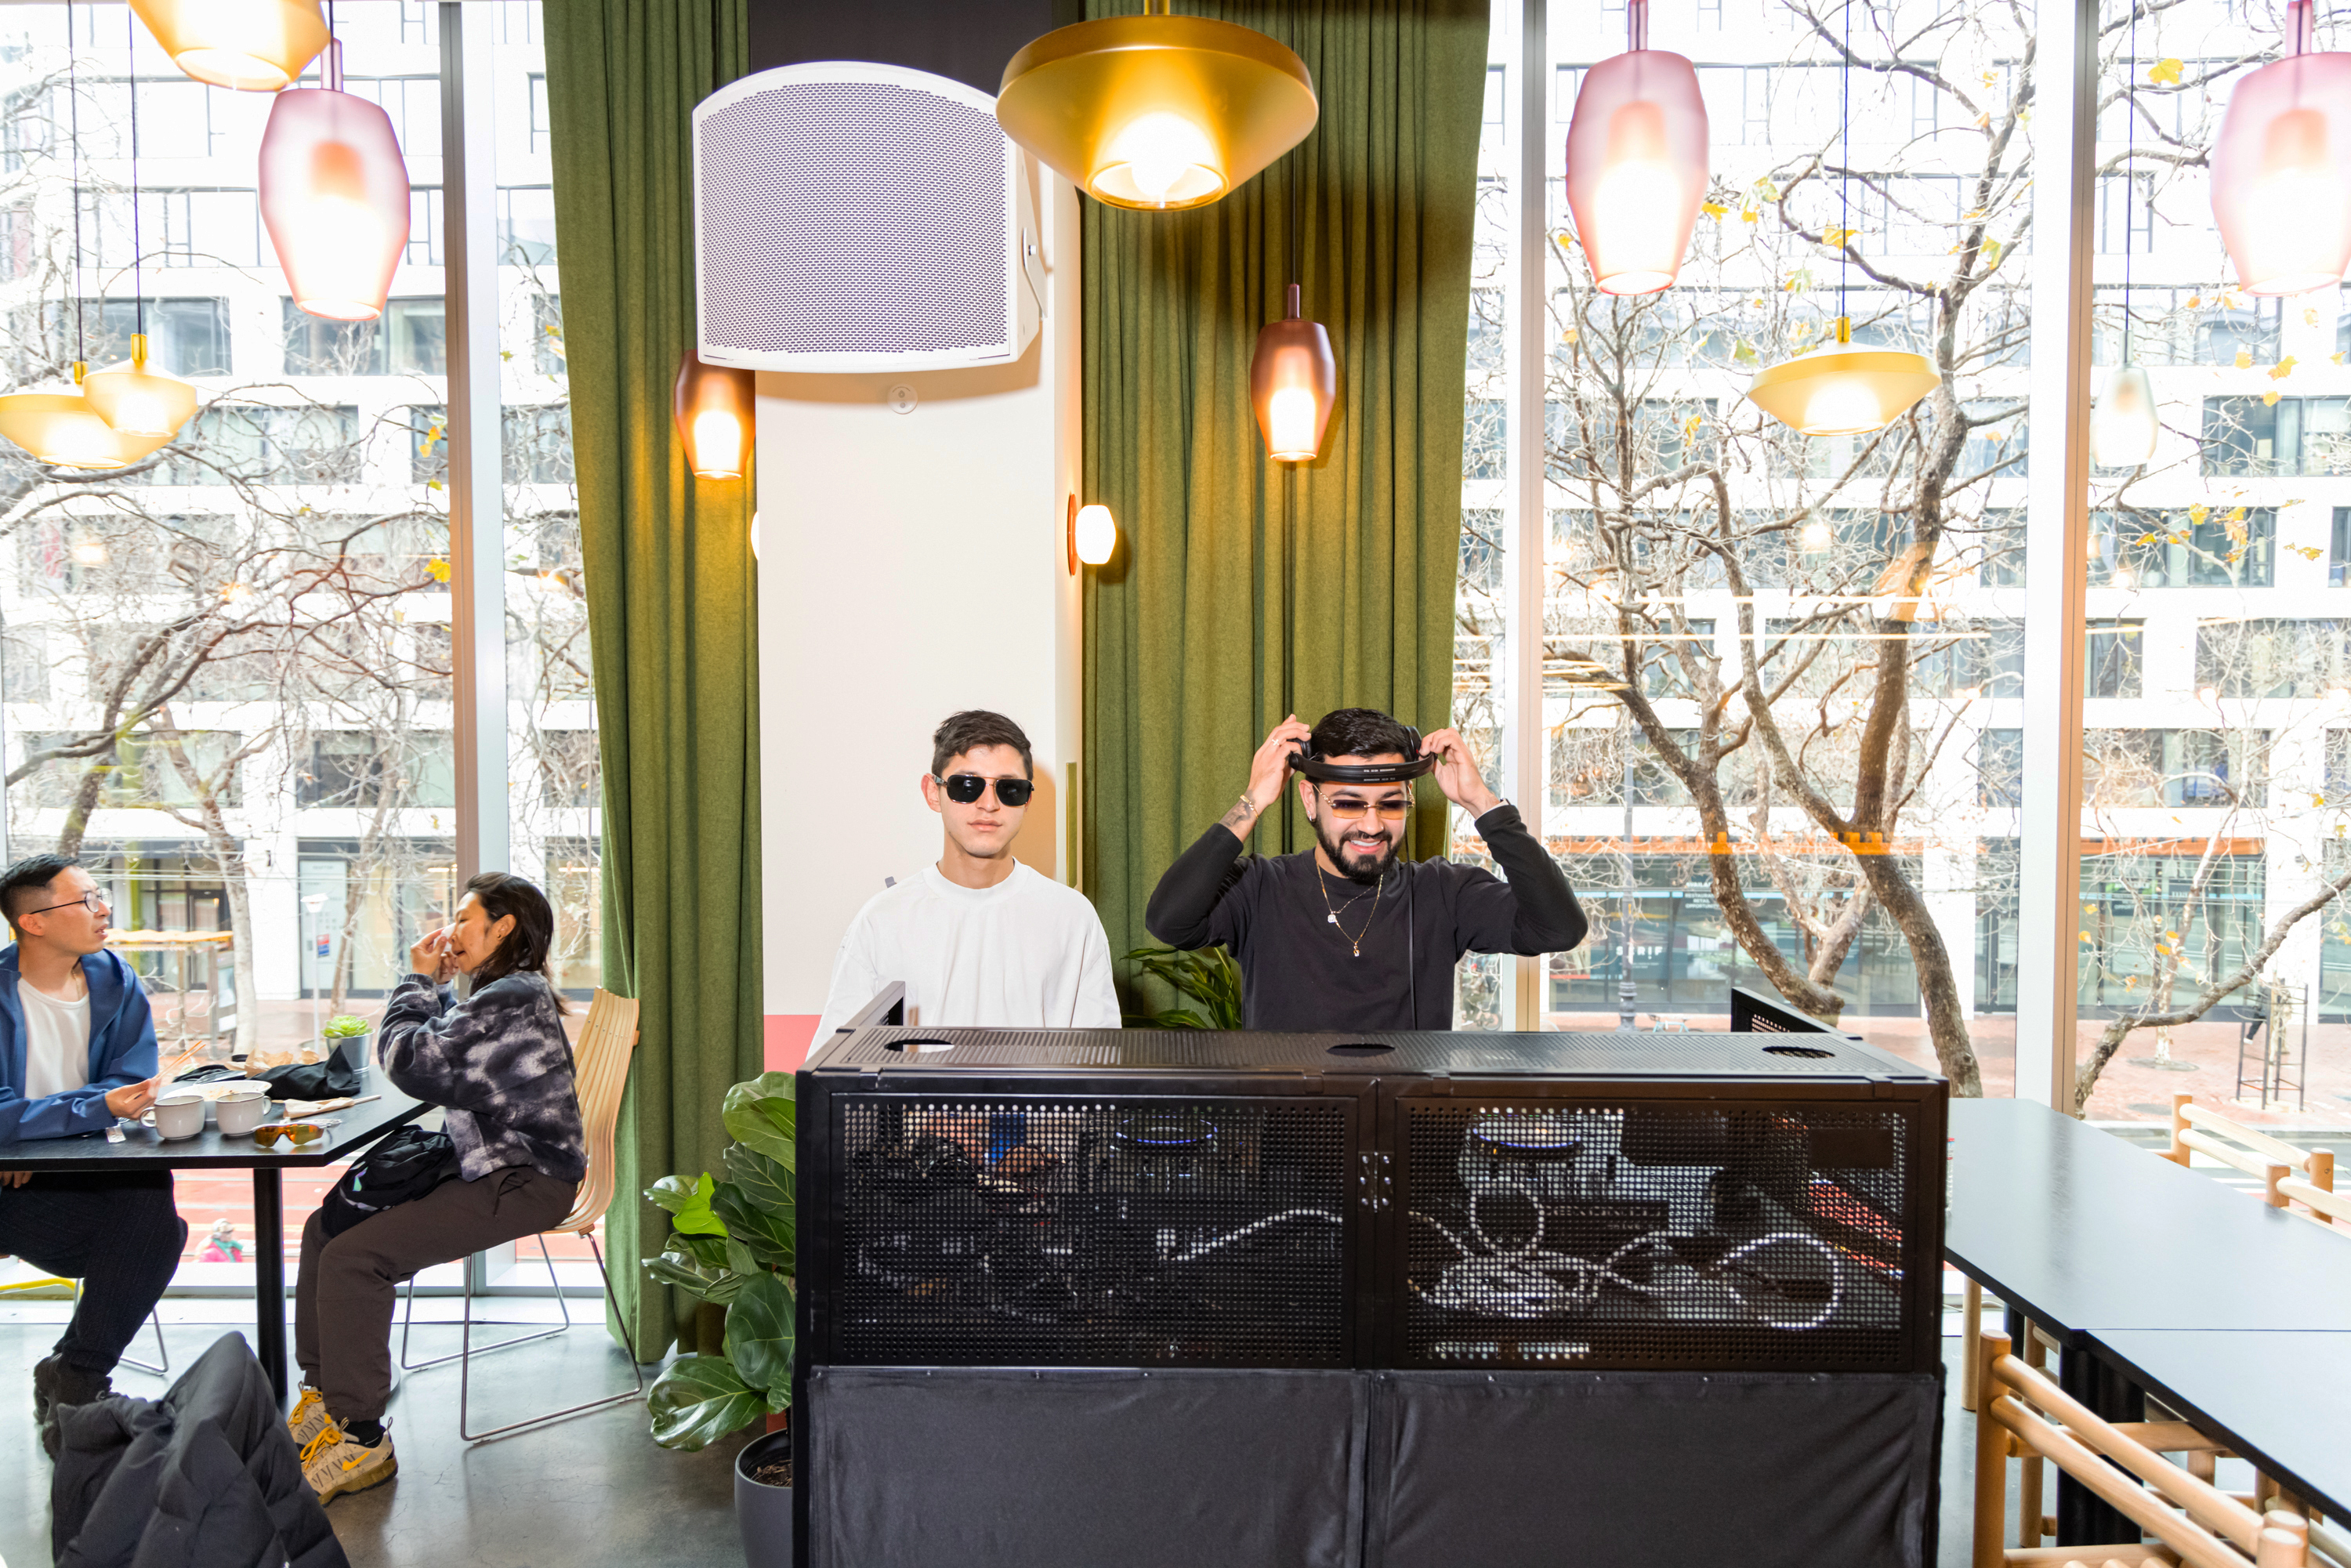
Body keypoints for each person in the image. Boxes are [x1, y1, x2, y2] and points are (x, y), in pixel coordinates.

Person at [288, 871, 585, 1504]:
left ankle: (361, 1437)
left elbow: (411, 1063)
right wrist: (439, 990)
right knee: (326, 1228)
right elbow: (450, 1056)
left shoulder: (510, 996)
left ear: (501, 926)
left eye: (461, 915)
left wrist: (418, 982)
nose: (449, 930)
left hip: (524, 1179)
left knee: (355, 1257)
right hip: (493, 1164)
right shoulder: (507, 994)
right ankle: (324, 1398)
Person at [1146, 708, 1588, 1030]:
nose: (1372, 825)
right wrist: (1253, 801)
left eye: (1391, 804)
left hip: (1414, 1150)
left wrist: (1483, 804)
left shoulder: (1444, 892)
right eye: (1348, 803)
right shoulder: (1259, 887)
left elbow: (1558, 930)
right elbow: (1170, 922)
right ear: (1309, 802)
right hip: (1288, 1151)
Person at [0, 854, 180, 1457]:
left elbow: (132, 1081)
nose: (103, 909)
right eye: (86, 900)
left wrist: (33, 1132)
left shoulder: (115, 978)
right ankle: (74, 1375)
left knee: (153, 1199)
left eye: (99, 895)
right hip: (9, 1192)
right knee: (155, 1231)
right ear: (34, 922)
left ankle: (77, 1371)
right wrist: (84, 1110)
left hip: (71, 1172)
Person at [813, 709, 1119, 1037]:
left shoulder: (1072, 918)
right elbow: (834, 1063)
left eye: (1009, 788)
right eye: (967, 785)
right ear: (934, 792)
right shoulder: (882, 920)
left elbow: (1100, 1062)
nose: (989, 804)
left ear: (1027, 799)